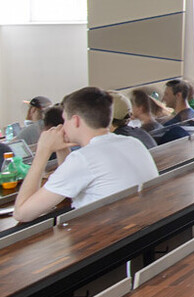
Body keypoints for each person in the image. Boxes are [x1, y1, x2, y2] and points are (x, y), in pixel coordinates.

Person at [12, 86, 158, 222]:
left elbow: (21, 213)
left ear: (75, 120)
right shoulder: (132, 143)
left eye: (65, 119)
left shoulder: (83, 159)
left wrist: (42, 151)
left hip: (104, 238)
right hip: (137, 231)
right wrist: (62, 149)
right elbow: (69, 185)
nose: (63, 125)